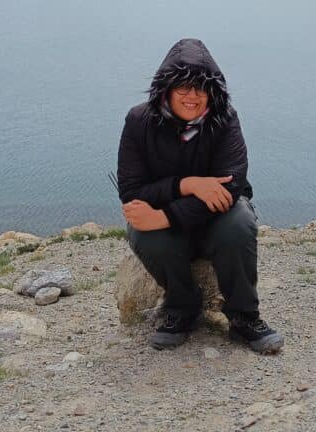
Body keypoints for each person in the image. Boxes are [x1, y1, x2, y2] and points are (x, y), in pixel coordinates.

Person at [116, 38, 284, 354]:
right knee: (144, 232)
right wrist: (189, 184)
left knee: (238, 222)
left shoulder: (224, 119)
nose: (192, 97)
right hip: (177, 214)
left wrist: (166, 214)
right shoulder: (138, 122)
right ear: (165, 89)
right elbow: (132, 192)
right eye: (183, 88)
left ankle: (244, 318)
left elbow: (232, 186)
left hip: (216, 217)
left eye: (201, 89)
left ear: (213, 91)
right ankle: (181, 308)